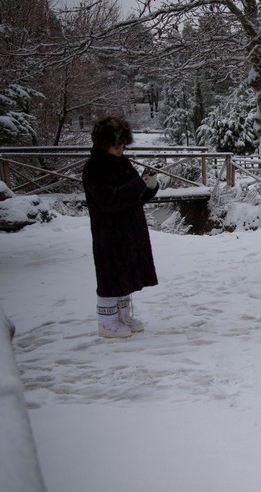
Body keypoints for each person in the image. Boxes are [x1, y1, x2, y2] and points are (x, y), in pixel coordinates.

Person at [82, 116, 159, 338]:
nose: (121, 150)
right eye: (117, 146)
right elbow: (109, 200)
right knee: (110, 274)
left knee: (127, 272)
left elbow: (135, 197)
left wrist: (149, 187)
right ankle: (106, 322)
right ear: (104, 144)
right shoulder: (94, 168)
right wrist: (138, 184)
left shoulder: (122, 163)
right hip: (109, 231)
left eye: (123, 146)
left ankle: (123, 316)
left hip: (130, 229)